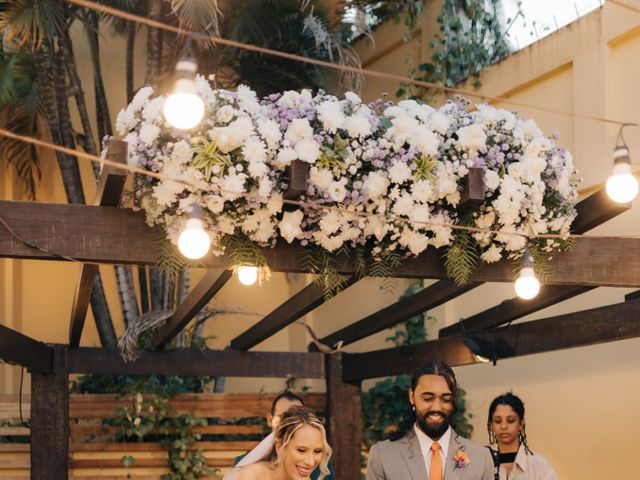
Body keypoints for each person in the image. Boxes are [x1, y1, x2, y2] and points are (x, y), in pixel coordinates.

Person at [366, 360, 494, 479]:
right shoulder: (382, 456)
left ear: (454, 400)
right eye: (427, 398)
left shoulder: (481, 458)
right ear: (412, 396)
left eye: (445, 399)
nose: (436, 407)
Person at [229, 392, 334, 480]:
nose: (310, 462)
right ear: (279, 447)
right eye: (301, 450)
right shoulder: (252, 475)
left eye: (317, 451)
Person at [487, 393, 557, 480]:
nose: (503, 426)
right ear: (491, 425)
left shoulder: (539, 466)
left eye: (511, 420)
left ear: (521, 423)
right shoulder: (483, 464)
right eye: (498, 421)